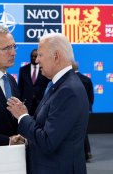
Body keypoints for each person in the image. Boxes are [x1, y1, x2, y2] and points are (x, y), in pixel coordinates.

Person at [7, 33, 89, 174]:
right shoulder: (59, 84)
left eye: (40, 55)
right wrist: (28, 139)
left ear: (56, 56)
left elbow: (48, 142)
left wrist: (23, 117)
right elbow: (46, 128)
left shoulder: (67, 90)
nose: (37, 60)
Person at [72, 61, 94, 162]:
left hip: (72, 110)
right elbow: (91, 97)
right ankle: (87, 152)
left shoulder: (70, 80)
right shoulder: (87, 79)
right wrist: (89, 107)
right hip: (85, 110)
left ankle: (82, 154)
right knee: (84, 131)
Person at [18, 49, 50, 115]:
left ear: (38, 57)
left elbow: (48, 86)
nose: (33, 58)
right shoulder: (23, 70)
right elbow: (20, 87)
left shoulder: (45, 69)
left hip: (41, 103)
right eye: (32, 56)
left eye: (35, 56)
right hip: (26, 103)